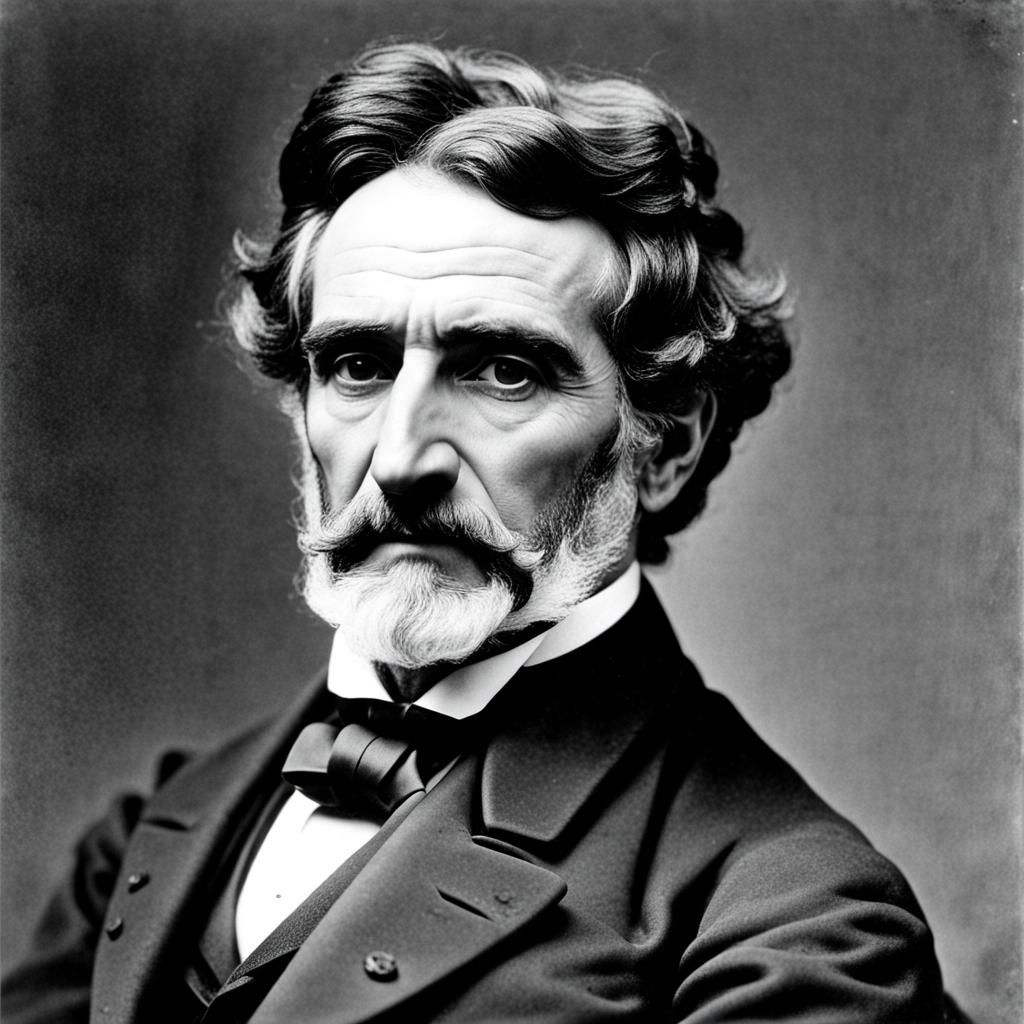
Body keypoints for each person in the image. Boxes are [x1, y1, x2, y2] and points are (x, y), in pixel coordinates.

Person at [3, 40, 950, 1023]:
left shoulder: (799, 919)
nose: (401, 457)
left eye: (504, 371)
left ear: (665, 442)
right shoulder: (156, 827)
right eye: (358, 365)